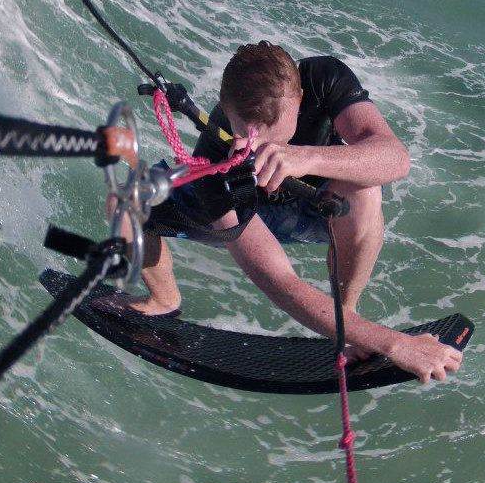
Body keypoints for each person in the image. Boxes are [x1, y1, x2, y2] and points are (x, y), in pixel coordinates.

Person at [108, 41, 463, 384]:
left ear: (300, 100)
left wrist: (304, 157)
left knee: (366, 190)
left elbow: (396, 158)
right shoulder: (215, 151)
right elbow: (279, 281)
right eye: (245, 133)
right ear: (226, 108)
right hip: (247, 208)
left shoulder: (324, 79)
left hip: (319, 207)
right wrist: (395, 344)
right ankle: (165, 300)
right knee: (126, 203)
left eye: (273, 139)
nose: (256, 149)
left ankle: (347, 319)